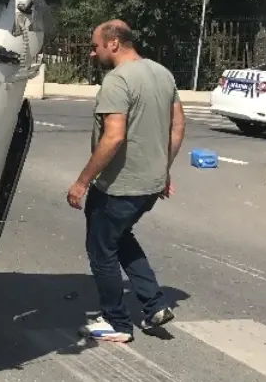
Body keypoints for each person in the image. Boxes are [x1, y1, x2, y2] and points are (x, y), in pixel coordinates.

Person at [66, 20, 185, 343]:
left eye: (96, 46)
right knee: (121, 238)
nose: (93, 53)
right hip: (149, 184)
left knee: (101, 251)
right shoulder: (162, 73)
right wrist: (163, 169)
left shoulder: (116, 81)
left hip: (118, 186)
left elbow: (114, 137)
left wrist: (82, 181)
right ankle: (154, 304)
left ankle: (116, 322)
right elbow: (177, 127)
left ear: (114, 43)